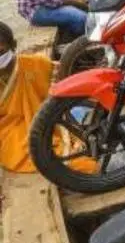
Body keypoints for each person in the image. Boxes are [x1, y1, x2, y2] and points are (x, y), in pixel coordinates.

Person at [0, 22, 96, 173]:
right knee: (24, 152)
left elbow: (62, 81)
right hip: (9, 131)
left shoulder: (35, 64)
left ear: (13, 45)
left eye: (1, 52)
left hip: (44, 121)